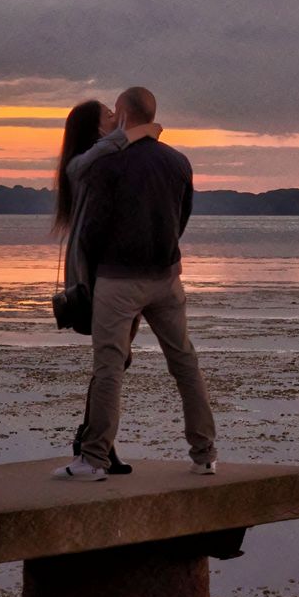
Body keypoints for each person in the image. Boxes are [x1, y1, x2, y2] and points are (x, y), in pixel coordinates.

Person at [52, 86, 219, 480]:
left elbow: (91, 228)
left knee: (109, 367)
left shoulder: (103, 166)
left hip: (118, 279)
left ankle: (92, 460)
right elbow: (182, 218)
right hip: (166, 279)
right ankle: (205, 454)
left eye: (114, 110)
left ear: (123, 115)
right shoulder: (178, 161)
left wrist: (90, 280)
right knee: (185, 363)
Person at [51, 99, 162, 476]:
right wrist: (140, 129)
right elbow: (115, 143)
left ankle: (93, 438)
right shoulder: (89, 163)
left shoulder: (96, 162)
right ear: (97, 129)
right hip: (99, 272)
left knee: (116, 357)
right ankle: (94, 441)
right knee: (113, 357)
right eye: (109, 116)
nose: (118, 120)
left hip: (106, 268)